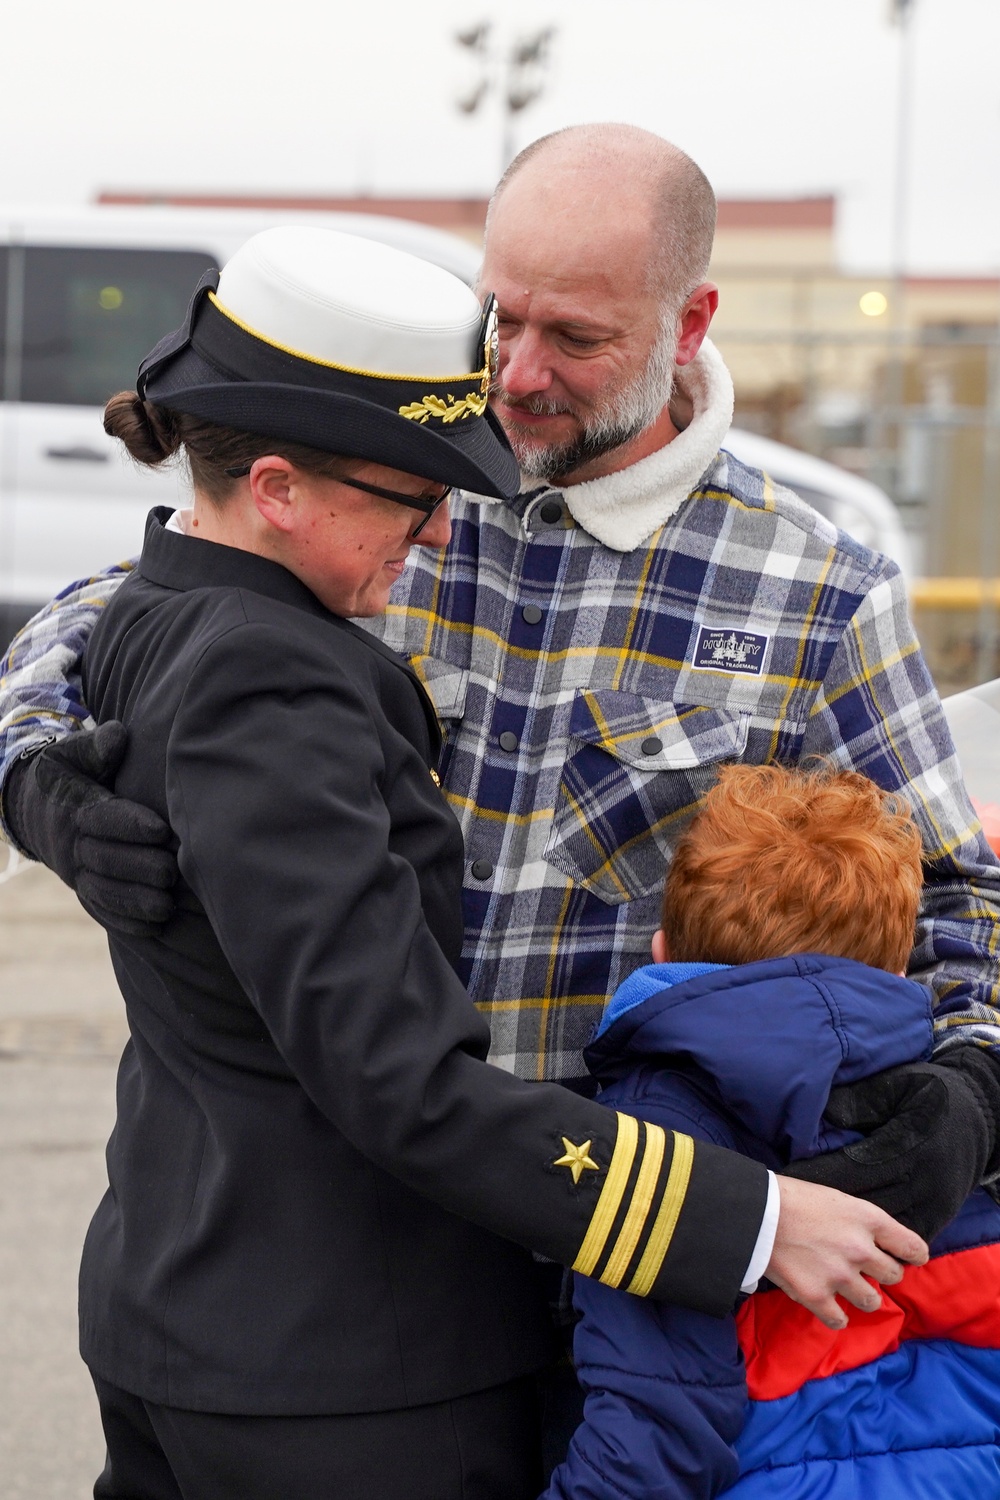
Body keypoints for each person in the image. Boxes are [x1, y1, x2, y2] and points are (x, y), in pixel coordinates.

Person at [20, 226, 918, 1500]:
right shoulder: (277, 678)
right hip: (344, 1368)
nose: (441, 535)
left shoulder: (163, 617)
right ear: (276, 487)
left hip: (195, 1309)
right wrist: (757, 1220)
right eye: (416, 497)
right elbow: (400, 1084)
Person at [1, 127, 997, 1259]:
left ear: (691, 326)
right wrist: (33, 772)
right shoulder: (383, 472)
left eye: (576, 337)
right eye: (501, 319)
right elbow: (117, 607)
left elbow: (958, 898)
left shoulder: (814, 591)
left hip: (620, 1248)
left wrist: (972, 1086)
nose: (518, 375)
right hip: (303, 1236)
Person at [542, 762, 1000, 1499]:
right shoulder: (953, 1116)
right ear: (898, 959)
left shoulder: (661, 1129)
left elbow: (655, 1431)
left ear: (662, 952)